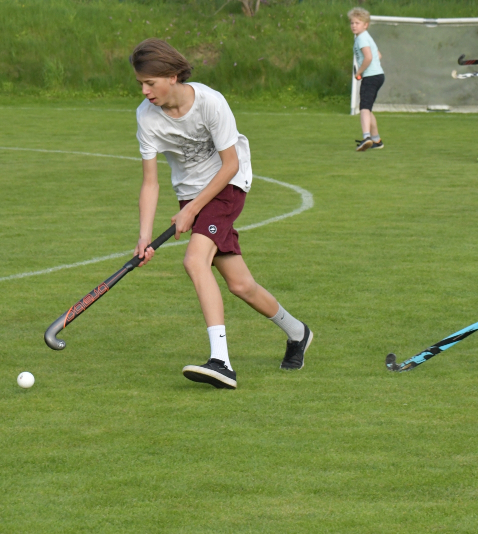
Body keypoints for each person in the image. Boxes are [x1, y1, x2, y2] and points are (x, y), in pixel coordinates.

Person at [129, 39, 313, 389]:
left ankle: (221, 362)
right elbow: (150, 183)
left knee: (194, 261)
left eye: (150, 83)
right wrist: (144, 236)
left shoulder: (210, 102)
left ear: (172, 76)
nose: (144, 91)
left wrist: (193, 210)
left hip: (227, 184)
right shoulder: (146, 117)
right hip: (190, 193)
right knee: (240, 284)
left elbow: (230, 164)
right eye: (140, 83)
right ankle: (297, 332)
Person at [349, 7, 385, 152]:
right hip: (378, 75)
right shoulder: (366, 37)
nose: (354, 25)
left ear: (365, 25)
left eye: (357, 23)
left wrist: (359, 72)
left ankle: (366, 137)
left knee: (364, 108)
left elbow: (369, 57)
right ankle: (376, 140)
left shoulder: (362, 38)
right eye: (352, 23)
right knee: (367, 109)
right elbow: (378, 55)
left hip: (371, 76)